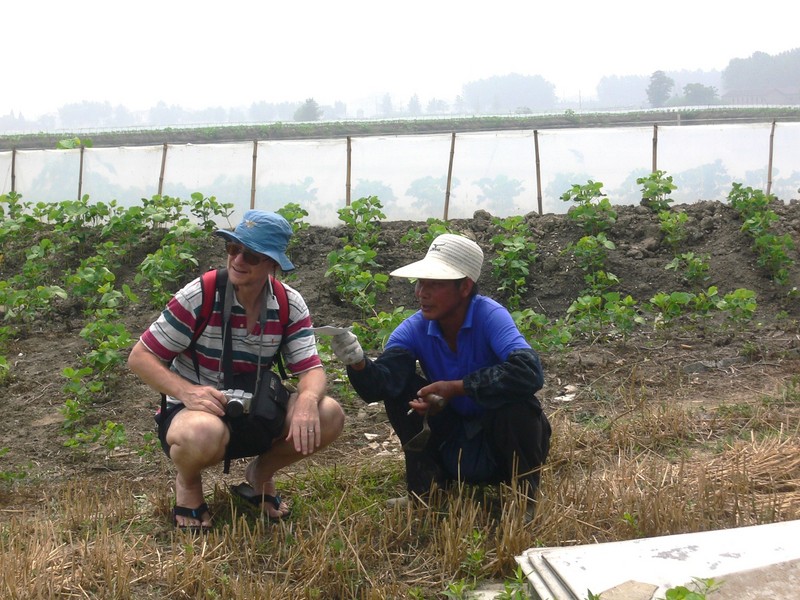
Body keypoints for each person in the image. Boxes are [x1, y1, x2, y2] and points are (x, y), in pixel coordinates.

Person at [128, 210, 345, 530]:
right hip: (196, 412)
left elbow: (310, 367)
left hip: (256, 409)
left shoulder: (289, 303)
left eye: (253, 255)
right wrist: (187, 392)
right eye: (233, 248)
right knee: (202, 433)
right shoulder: (201, 294)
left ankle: (260, 475)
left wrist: (308, 400)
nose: (239, 260)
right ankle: (188, 484)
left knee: (329, 414)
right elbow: (140, 356)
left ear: (273, 265)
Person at [330, 233, 551, 512]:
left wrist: (457, 388)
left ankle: (525, 499)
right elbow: (383, 384)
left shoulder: (491, 315)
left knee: (519, 403)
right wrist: (359, 363)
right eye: (421, 283)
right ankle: (426, 492)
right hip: (455, 440)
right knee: (401, 393)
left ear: (465, 287)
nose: (422, 292)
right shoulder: (414, 327)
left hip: (501, 444)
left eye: (434, 284)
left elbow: (529, 372)